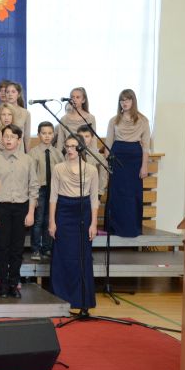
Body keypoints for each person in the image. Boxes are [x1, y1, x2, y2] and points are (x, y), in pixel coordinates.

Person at [0, 124, 39, 298]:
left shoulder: (28, 160)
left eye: (12, 137)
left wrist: (31, 212)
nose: (8, 139)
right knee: (2, 247)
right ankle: (2, 283)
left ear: (19, 140)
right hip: (1, 207)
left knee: (17, 249)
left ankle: (14, 283)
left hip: (21, 208)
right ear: (2, 139)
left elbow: (33, 187)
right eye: (5, 136)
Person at [49, 135, 99, 310]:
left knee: (82, 256)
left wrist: (94, 224)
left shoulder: (91, 170)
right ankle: (61, 298)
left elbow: (94, 199)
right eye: (67, 146)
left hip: (83, 212)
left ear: (81, 148)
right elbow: (53, 197)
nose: (69, 149)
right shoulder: (58, 168)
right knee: (62, 255)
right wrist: (52, 221)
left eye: (73, 146)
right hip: (63, 212)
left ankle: (82, 299)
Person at [105, 88, 150, 238]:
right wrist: (107, 165)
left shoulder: (143, 120)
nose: (124, 103)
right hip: (117, 157)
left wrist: (144, 166)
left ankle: (132, 228)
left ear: (133, 101)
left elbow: (146, 146)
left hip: (135, 160)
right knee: (117, 194)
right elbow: (108, 145)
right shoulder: (114, 120)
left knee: (133, 194)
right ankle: (115, 228)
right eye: (122, 100)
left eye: (127, 100)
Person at [28, 122, 64, 260]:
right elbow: (30, 175)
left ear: (53, 135)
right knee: (38, 220)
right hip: (39, 190)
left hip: (53, 190)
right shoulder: (33, 153)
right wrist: (33, 195)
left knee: (50, 219)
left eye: (49, 133)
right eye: (44, 133)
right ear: (38, 135)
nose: (47, 136)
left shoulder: (57, 153)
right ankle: (36, 249)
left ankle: (47, 248)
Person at [77, 125, 108, 197]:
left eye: (87, 136)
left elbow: (102, 177)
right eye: (81, 136)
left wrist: (99, 194)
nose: (83, 139)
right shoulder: (70, 154)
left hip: (91, 193)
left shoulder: (98, 157)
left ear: (92, 138)